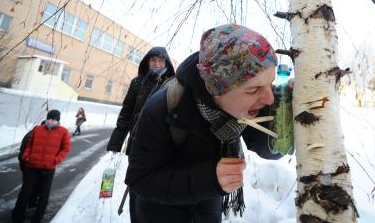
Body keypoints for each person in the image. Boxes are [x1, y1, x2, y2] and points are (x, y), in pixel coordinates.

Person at [125, 24, 283, 222]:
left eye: (270, 84)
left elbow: (269, 148)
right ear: (217, 89)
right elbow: (140, 180)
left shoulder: (245, 104)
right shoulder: (165, 106)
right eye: (254, 89)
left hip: (208, 212)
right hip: (159, 214)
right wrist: (208, 179)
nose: (269, 99)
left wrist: (286, 113)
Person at [106, 46, 175, 223]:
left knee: (157, 187)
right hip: (137, 142)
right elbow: (126, 112)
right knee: (136, 184)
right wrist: (116, 141)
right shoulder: (138, 82)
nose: (157, 64)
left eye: (161, 60)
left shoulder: (173, 83)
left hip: (162, 145)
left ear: (166, 62)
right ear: (147, 62)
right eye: (153, 60)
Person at [12, 110, 71, 223]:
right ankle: (17, 216)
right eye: (49, 118)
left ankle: (37, 218)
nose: (51, 121)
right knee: (25, 192)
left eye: (53, 119)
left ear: (58, 120)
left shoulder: (63, 132)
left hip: (48, 169)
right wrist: (26, 156)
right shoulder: (38, 129)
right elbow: (30, 144)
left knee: (44, 195)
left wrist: (56, 160)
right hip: (32, 166)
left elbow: (66, 149)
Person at [18, 120, 45, 209]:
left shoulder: (31, 133)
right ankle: (28, 204)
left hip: (25, 163)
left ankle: (29, 203)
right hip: (29, 165)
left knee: (28, 186)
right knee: (31, 187)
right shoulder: (34, 136)